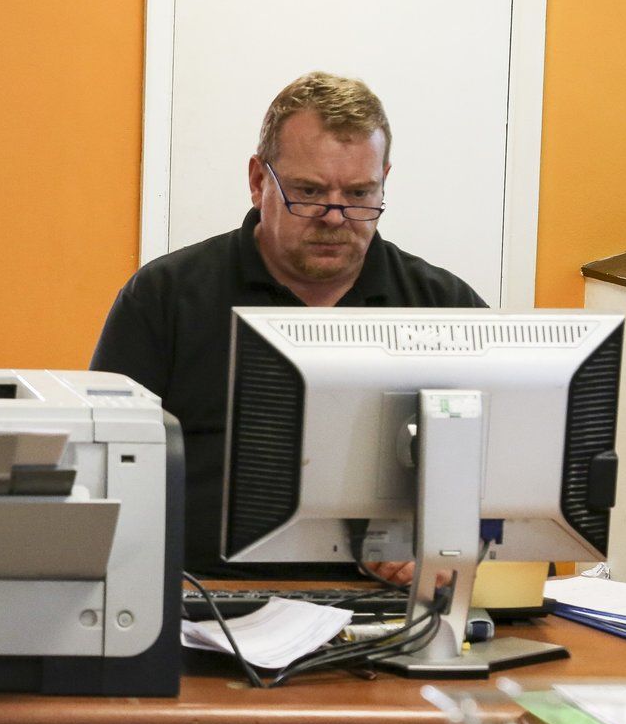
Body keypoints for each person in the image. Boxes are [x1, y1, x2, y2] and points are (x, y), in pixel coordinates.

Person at [91, 71, 484, 580]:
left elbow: (497, 485)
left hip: (388, 607)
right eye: (309, 191)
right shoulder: (165, 298)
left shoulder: (443, 307)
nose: (336, 216)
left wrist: (442, 546)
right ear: (259, 181)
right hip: (206, 600)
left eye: (361, 194)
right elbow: (104, 476)